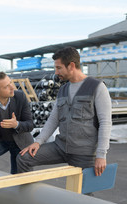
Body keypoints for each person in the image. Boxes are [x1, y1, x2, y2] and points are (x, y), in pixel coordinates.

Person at [17, 46, 112, 177]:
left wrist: (101, 155)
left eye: (59, 67)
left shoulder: (97, 87)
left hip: (83, 152)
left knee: (82, 193)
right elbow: (53, 119)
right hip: (60, 147)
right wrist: (38, 142)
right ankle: (27, 196)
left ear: (71, 66)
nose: (56, 72)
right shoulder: (63, 89)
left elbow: (105, 123)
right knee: (24, 158)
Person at [0, 72, 34, 174]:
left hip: (19, 139)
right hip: (0, 140)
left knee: (17, 174)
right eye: (6, 87)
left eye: (11, 83)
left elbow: (30, 124)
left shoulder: (20, 97)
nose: (12, 87)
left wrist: (16, 124)